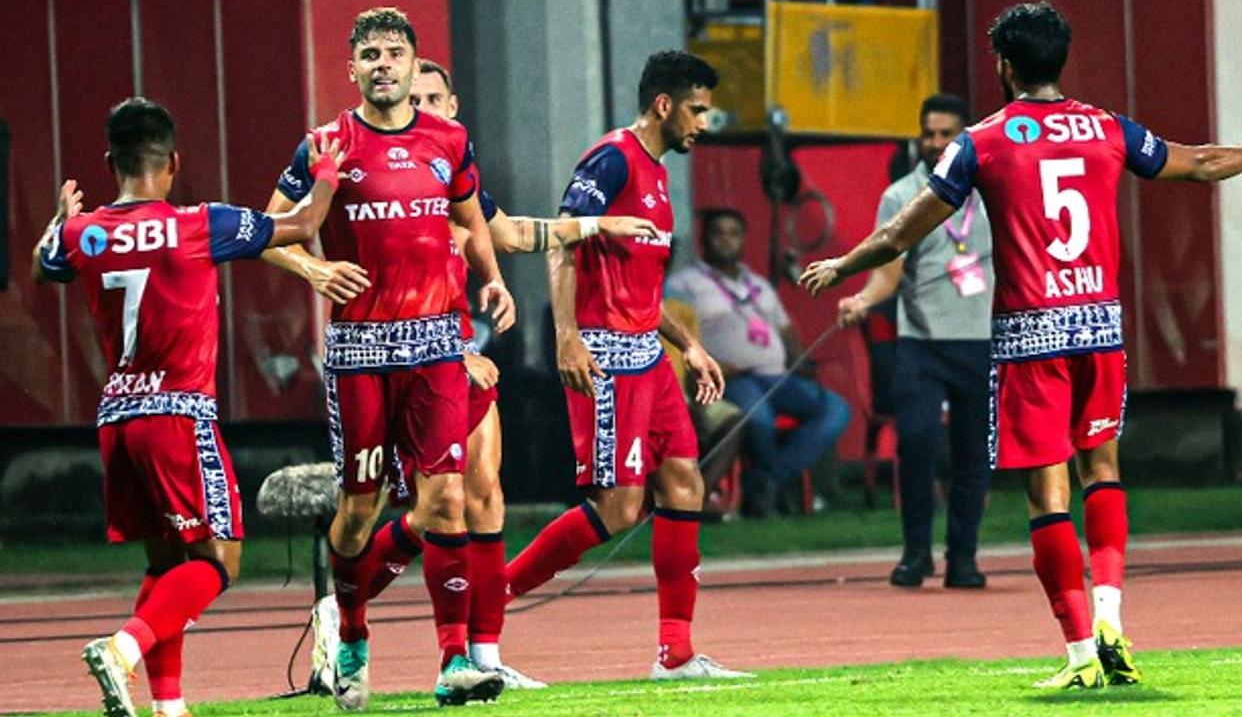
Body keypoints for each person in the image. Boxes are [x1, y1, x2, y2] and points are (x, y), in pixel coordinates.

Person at [801, 1, 1242, 690]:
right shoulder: (1105, 127)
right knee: (1104, 471)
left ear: (1003, 65)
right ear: (1062, 60)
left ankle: (1083, 654)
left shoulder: (984, 140)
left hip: (1031, 337)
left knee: (1047, 494)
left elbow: (906, 230)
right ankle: (1113, 610)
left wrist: (844, 264)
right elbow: (1200, 164)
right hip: (1101, 330)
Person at [285, 57, 658, 692]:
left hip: (451, 356)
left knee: (474, 497)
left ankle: (473, 656)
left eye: (434, 96)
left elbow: (507, 232)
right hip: (391, 355)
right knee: (379, 508)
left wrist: (595, 225)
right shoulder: (359, 161)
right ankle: (342, 622)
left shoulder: (450, 168)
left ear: (452, 107)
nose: (422, 107)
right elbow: (289, 226)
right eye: (414, 96)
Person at [32, 97, 341, 717]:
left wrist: (61, 219)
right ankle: (123, 647)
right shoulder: (199, 223)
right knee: (220, 561)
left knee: (166, 561)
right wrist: (326, 169)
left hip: (116, 418)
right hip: (178, 414)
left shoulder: (82, 232)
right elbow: (305, 225)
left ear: (109, 161)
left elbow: (46, 266)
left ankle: (168, 706)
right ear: (172, 162)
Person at [262, 8, 514, 709]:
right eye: (369, 53)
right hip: (360, 351)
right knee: (358, 509)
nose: (382, 64)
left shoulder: (449, 140)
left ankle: (455, 660)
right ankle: (352, 635)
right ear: (352, 69)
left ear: (412, 64)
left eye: (394, 53)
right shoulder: (325, 143)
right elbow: (269, 228)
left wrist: (491, 277)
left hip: (437, 345)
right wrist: (312, 271)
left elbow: (469, 219)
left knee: (446, 499)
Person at [503, 50, 751, 681]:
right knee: (618, 509)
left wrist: (688, 345)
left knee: (685, 484)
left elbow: (641, 284)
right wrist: (566, 336)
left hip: (648, 354)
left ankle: (676, 655)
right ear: (664, 105)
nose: (703, 122)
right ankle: (488, 607)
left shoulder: (661, 175)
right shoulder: (611, 159)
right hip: (606, 356)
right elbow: (562, 242)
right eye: (697, 109)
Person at [838, 94, 993, 588]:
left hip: (980, 338)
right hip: (921, 343)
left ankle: (963, 557)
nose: (936, 143)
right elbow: (888, 273)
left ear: (965, 136)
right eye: (929, 133)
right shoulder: (900, 196)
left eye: (947, 133)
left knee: (972, 453)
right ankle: (915, 553)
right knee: (917, 443)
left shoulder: (991, 192)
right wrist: (862, 299)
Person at [667, 209, 850, 518]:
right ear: (704, 239)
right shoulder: (685, 283)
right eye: (718, 233)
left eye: (733, 233)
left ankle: (765, 481)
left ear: (743, 240)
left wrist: (800, 358)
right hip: (731, 379)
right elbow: (675, 333)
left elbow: (786, 332)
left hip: (779, 377)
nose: (726, 240)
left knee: (835, 409)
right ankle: (769, 490)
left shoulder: (759, 285)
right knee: (760, 420)